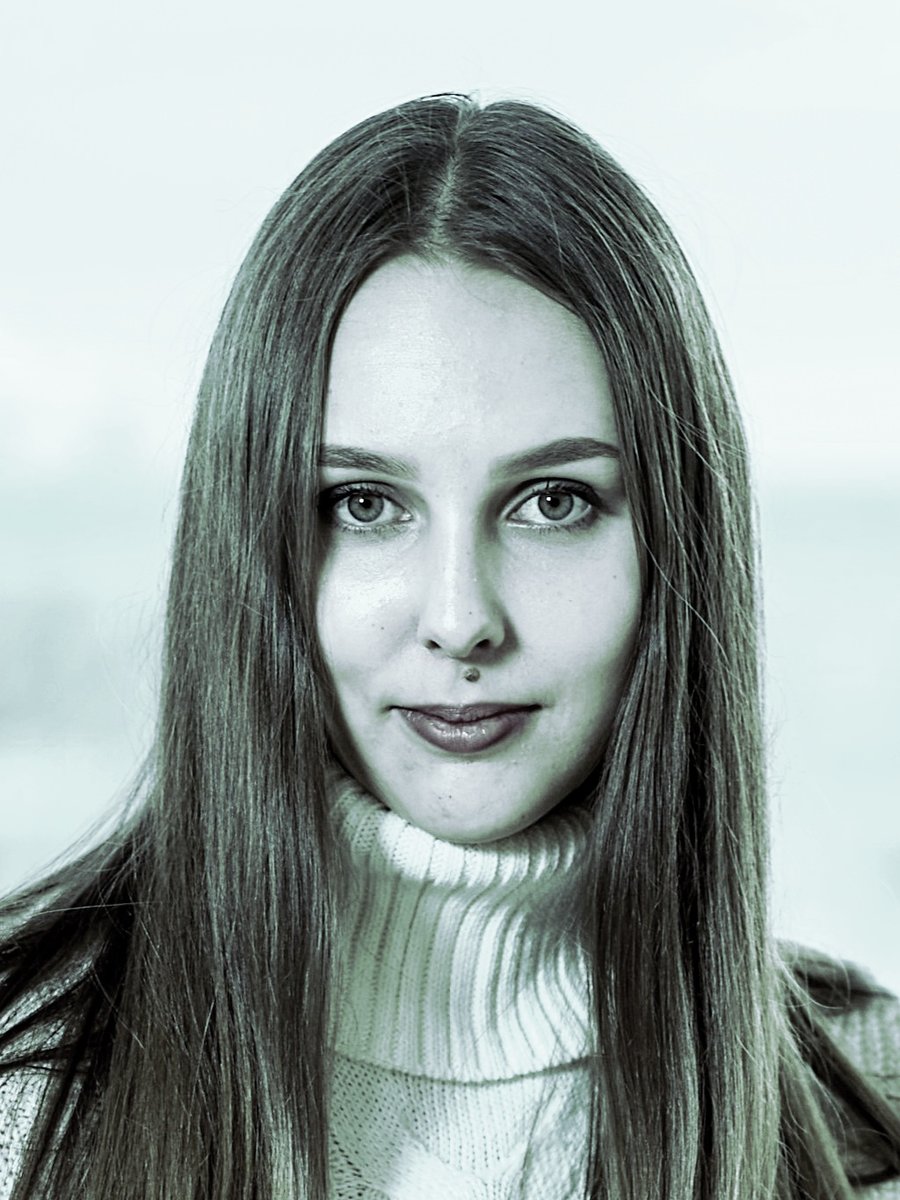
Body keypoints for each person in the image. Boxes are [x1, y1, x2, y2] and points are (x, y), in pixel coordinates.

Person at [1, 93, 898, 1200]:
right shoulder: (24, 1099)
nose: (462, 617)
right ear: (251, 542)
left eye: (555, 502)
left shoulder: (872, 1108)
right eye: (366, 504)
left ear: (680, 545)